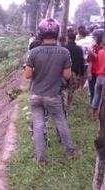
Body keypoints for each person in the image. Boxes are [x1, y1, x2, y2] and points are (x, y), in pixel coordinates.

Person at [24, 18, 82, 163]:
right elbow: (67, 75)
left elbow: (27, 75)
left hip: (36, 95)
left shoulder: (34, 52)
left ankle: (41, 158)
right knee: (60, 122)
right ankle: (70, 152)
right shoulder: (64, 52)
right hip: (53, 96)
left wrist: (38, 70)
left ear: (40, 33)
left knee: (38, 125)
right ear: (56, 33)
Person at [65, 32, 85, 109]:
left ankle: (61, 104)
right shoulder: (79, 49)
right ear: (74, 39)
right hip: (73, 72)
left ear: (68, 38)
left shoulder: (64, 48)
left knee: (62, 88)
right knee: (71, 89)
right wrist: (82, 73)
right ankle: (68, 105)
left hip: (63, 71)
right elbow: (81, 61)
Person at [88, 29, 104, 104]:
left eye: (95, 37)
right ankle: (92, 106)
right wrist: (89, 72)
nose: (94, 39)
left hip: (100, 73)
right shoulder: (93, 47)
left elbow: (100, 58)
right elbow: (90, 61)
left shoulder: (101, 48)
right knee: (92, 91)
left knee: (99, 92)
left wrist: (92, 52)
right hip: (94, 71)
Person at [91, 41, 105, 119]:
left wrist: (92, 51)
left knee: (96, 96)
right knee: (103, 99)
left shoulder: (100, 52)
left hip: (98, 76)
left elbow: (97, 59)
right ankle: (101, 116)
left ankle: (93, 114)